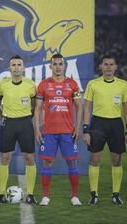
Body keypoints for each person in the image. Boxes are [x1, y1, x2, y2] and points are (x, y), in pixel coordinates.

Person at [83, 55, 127, 205]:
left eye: (111, 64)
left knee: (117, 161)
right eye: (106, 64)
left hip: (116, 125)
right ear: (101, 67)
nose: (109, 67)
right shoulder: (93, 84)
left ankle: (116, 195)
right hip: (97, 124)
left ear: (116, 67)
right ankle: (94, 195)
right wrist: (86, 130)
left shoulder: (123, 84)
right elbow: (86, 108)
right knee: (95, 160)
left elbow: (126, 108)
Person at [34, 54, 82, 206]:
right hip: (49, 132)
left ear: (64, 66)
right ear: (50, 66)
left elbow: (80, 107)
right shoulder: (43, 85)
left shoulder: (72, 85)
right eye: (55, 64)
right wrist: (37, 129)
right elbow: (37, 109)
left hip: (68, 131)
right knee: (47, 162)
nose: (58, 67)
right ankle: (45, 196)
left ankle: (75, 196)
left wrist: (78, 128)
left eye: (60, 64)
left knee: (72, 164)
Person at [0, 55, 37, 205]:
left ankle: (30, 194)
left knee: (29, 158)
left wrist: (27, 118)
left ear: (23, 68)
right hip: (8, 123)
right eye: (14, 65)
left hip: (25, 123)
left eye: (19, 64)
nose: (16, 67)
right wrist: (3, 119)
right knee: (5, 158)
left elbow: (34, 105)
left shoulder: (31, 85)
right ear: (9, 68)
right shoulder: (2, 85)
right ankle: (1, 195)